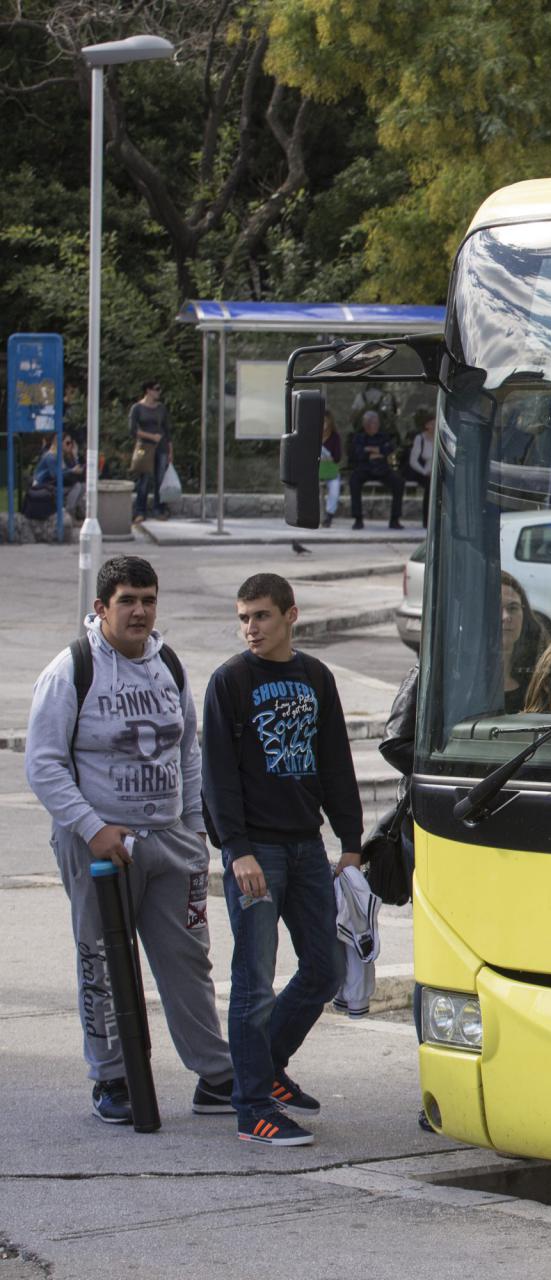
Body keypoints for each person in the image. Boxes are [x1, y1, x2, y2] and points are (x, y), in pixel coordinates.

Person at [24, 555, 232, 1125]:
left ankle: (215, 1075)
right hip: (98, 846)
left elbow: (187, 750)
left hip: (170, 841)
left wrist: (193, 828)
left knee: (189, 960)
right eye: (127, 601)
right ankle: (112, 1078)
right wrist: (92, 827)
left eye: (148, 600)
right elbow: (42, 765)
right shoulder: (71, 670)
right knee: (102, 959)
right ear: (101, 608)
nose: (139, 611)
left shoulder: (168, 663)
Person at [200, 573, 363, 1146]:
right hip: (257, 850)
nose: (251, 628)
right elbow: (216, 777)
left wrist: (351, 840)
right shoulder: (230, 681)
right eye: (243, 617)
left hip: (307, 845)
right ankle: (251, 1109)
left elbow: (335, 759)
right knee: (253, 980)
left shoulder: (315, 677)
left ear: (290, 616)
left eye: (262, 616)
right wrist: (236, 848)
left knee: (326, 969)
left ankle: (263, 1068)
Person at [500, 572, 551, 714]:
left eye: (512, 608)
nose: (506, 617)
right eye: (495, 607)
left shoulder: (542, 678)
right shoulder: (460, 677)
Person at [346, 410, 403, 531]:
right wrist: (377, 451)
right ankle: (358, 519)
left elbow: (388, 449)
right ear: (365, 424)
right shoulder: (359, 437)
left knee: (398, 482)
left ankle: (395, 519)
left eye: (376, 422)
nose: (374, 425)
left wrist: (370, 450)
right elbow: (358, 454)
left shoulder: (384, 436)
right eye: (371, 423)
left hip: (382, 469)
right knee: (354, 482)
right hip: (364, 469)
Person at [128, 380, 171, 523]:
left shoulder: (161, 408)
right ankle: (140, 510)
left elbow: (167, 430)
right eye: (156, 389)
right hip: (144, 447)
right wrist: (150, 436)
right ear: (148, 390)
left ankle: (159, 508)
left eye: (160, 389)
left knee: (160, 478)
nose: (159, 392)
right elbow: (133, 430)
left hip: (161, 447)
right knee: (144, 479)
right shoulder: (137, 408)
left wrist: (170, 451)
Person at [404, 409, 434, 528]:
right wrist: (424, 472)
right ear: (426, 425)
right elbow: (413, 461)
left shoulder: (441, 436)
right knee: (429, 486)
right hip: (423, 471)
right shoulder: (419, 438)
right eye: (432, 423)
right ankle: (427, 521)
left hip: (436, 470)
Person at [318, 412, 343, 528]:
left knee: (335, 488)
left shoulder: (335, 437)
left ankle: (329, 515)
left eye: (325, 421)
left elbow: (338, 457)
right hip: (315, 470)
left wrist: (329, 457)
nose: (323, 424)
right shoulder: (312, 436)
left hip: (330, 470)